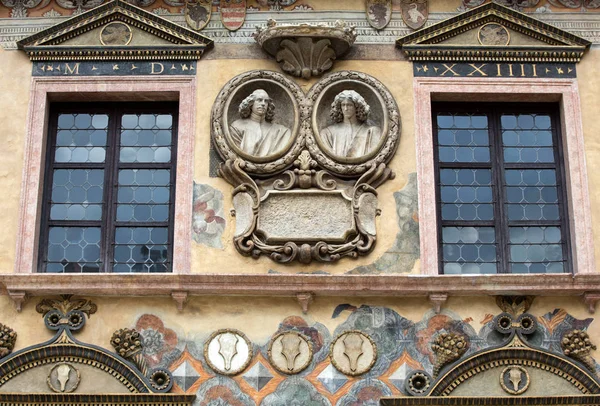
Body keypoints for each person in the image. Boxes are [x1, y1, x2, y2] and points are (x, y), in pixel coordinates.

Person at [229, 89, 292, 158]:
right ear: (250, 103)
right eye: (259, 100)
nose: (263, 104)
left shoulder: (281, 131)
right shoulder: (237, 126)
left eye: (266, 101)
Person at [321, 90, 382, 158]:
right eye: (343, 105)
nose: (346, 108)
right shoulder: (328, 133)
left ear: (357, 107)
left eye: (349, 105)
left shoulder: (371, 132)